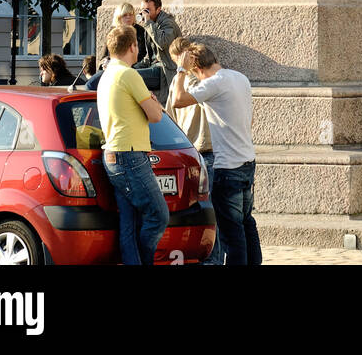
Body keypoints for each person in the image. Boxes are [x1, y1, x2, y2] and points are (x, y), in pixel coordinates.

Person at [172, 43, 261, 266]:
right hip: (248, 160)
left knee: (232, 233)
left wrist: (180, 70)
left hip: (228, 166)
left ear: (197, 69)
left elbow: (177, 100)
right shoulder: (240, 78)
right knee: (247, 222)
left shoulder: (212, 84)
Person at [97, 24, 169, 266]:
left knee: (128, 224)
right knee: (158, 215)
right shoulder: (129, 74)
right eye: (137, 44)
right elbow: (156, 116)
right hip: (130, 155)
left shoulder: (107, 75)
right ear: (132, 46)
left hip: (113, 154)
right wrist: (153, 102)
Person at [167, 36, 222, 266]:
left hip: (195, 151)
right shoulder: (209, 81)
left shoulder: (194, 83)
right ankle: (212, 259)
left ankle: (211, 259)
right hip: (204, 150)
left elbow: (170, 116)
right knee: (213, 212)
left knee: (205, 211)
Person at [137, 0, 180, 105]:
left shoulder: (167, 23)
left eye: (148, 10)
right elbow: (150, 55)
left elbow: (162, 43)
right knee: (125, 72)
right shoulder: (150, 23)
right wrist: (131, 66)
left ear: (158, 9)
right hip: (154, 66)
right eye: (143, 10)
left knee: (129, 77)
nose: (144, 13)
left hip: (165, 69)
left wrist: (148, 23)